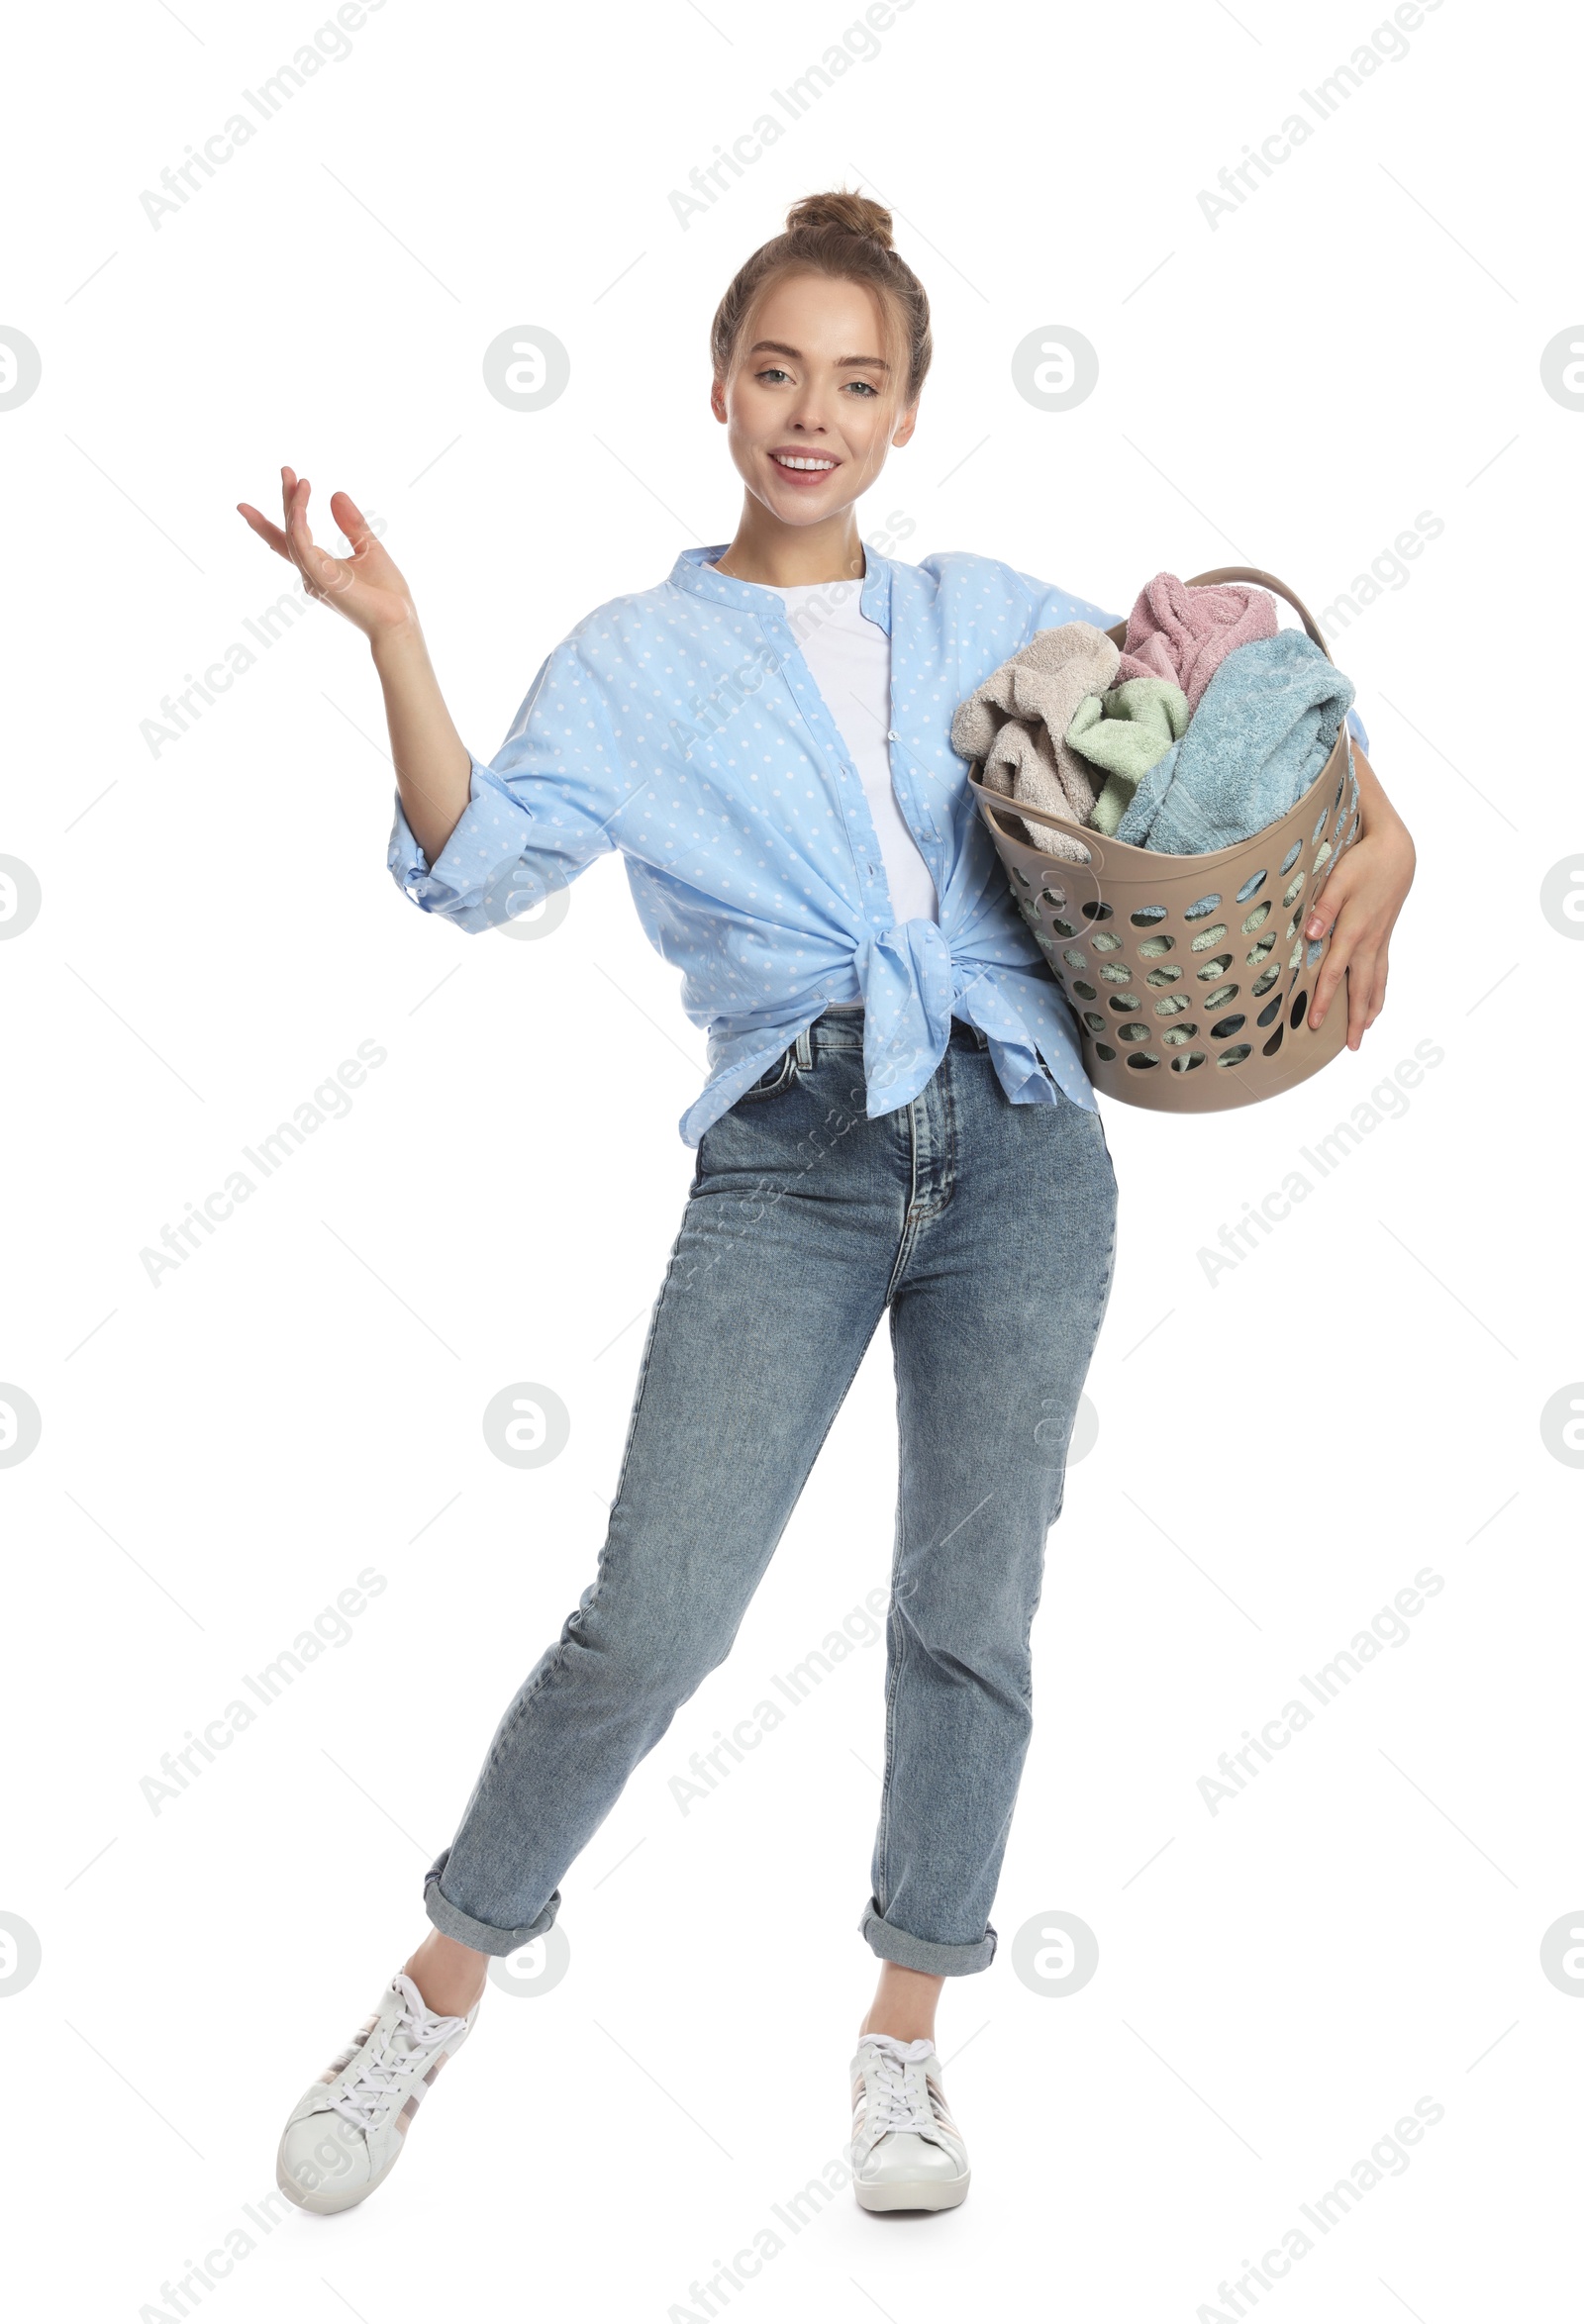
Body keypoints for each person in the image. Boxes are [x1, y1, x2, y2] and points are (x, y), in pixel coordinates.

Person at [239, 188, 1416, 2221]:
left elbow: (1246, 720)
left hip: (1024, 1138)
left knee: (971, 1612)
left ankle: (900, 2040)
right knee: (656, 1613)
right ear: (718, 387)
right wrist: (396, 640)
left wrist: (1380, 845)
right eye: (776, 369)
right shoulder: (626, 655)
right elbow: (472, 862)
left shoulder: (988, 610)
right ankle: (437, 1982)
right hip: (789, 1146)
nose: (810, 410)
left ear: (902, 412)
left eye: (853, 382)